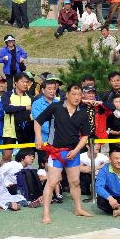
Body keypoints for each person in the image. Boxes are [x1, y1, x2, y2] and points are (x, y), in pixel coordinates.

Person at [33, 84, 92, 224]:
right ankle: (46, 213)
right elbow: (37, 121)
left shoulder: (83, 112)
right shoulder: (56, 107)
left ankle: (78, 208)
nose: (77, 97)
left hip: (73, 152)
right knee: (52, 182)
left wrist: (76, 150)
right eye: (74, 94)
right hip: (56, 152)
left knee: (75, 182)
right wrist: (39, 138)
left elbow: (85, 136)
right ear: (67, 95)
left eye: (79, 95)